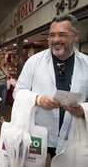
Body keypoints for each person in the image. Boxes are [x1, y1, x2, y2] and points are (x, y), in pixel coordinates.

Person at [13, 13, 88, 159]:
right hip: (39, 132)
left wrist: (83, 110)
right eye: (51, 35)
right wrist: (38, 100)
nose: (55, 40)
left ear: (76, 35)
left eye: (62, 35)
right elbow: (19, 91)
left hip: (73, 133)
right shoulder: (34, 62)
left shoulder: (86, 64)